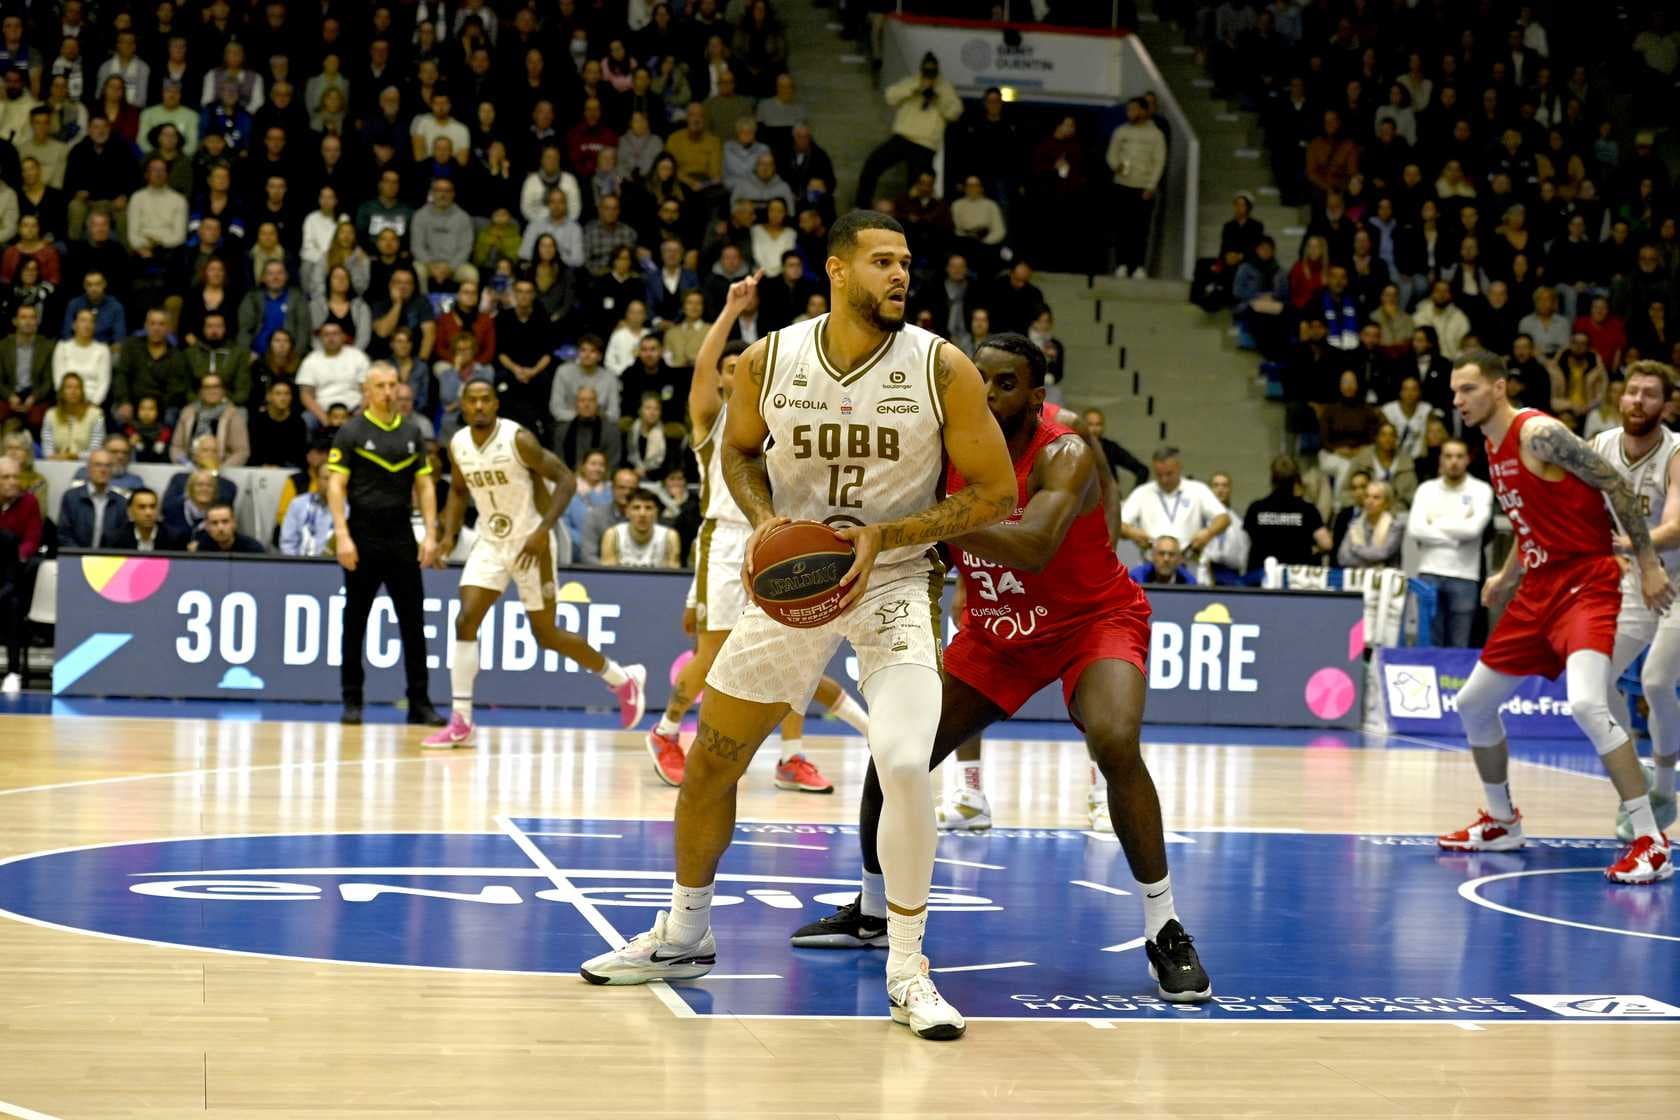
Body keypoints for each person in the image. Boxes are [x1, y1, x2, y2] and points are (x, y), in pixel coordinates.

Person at [579, 211, 1017, 1044]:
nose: (900, 275)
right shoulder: (770, 357)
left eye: (907, 264)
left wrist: (887, 535)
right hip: (796, 580)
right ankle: (684, 932)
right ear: (837, 269)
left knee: (900, 761)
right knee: (713, 756)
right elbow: (737, 453)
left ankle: (907, 966)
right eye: (883, 261)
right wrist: (768, 524)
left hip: (894, 577)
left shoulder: (940, 367)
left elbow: (994, 494)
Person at [789, 333, 1210, 1004]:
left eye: (1004, 383)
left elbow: (1037, 545)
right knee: (896, 751)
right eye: (978, 379)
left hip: (1090, 619)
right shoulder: (944, 445)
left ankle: (1164, 927)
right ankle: (874, 909)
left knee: (1114, 738)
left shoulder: (1065, 450)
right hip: (997, 631)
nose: (985, 393)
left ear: (1035, 396)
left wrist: (924, 524)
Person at [1438, 351, 1675, 884]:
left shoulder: (1538, 433)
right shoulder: (1491, 445)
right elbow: (1531, 523)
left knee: (1588, 703)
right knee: (1474, 703)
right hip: (1538, 588)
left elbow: (1615, 485)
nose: (1458, 401)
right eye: (1455, 391)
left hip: (1585, 581)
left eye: (1468, 389)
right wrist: (1507, 576)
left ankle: (1651, 840)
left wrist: (1646, 563)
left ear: (1498, 388)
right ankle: (1502, 821)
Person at [643, 278, 867, 794]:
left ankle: (792, 755)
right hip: (724, 543)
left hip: (780, 543)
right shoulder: (712, 416)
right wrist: (729, 310)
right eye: (729, 367)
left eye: (741, 366)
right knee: (714, 654)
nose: (734, 371)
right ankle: (667, 731)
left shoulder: (785, 419)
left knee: (793, 653)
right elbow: (702, 369)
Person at [425, 379, 646, 749]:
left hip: (532, 543)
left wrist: (544, 530)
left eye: (485, 400)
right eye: (472, 401)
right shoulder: (459, 444)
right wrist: (448, 536)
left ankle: (621, 678)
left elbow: (565, 480)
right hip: (491, 541)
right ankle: (461, 719)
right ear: (462, 406)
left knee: (545, 634)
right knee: (465, 619)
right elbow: (460, 491)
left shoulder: (518, 439)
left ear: (496, 404)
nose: (479, 406)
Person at [325, 362, 447, 728]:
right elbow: (335, 485)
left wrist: (430, 532)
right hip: (363, 534)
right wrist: (342, 535)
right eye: (381, 386)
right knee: (355, 622)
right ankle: (352, 700)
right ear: (367, 391)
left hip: (400, 536)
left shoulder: (412, 432)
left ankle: (420, 702)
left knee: (413, 623)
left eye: (394, 385)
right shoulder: (351, 431)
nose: (389, 392)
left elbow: (425, 485)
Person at [1592, 362, 1680, 843]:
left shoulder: (1677, 452)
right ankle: (1638, 779)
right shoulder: (1600, 446)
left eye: (1650, 395)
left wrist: (1629, 545)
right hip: (1632, 579)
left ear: (1666, 406)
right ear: (1620, 399)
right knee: (1594, 680)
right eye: (1632, 392)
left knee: (1657, 680)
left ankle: (1666, 789)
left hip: (1676, 579)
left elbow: (1677, 525)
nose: (1638, 401)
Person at [1406, 438, 1494, 646]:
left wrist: (1436, 523)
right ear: (1441, 460)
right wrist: (1456, 535)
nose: (1453, 461)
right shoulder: (1426, 489)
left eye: (1459, 456)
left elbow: (1473, 530)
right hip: (1429, 573)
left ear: (1468, 460)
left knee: (1460, 646)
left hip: (1465, 576)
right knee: (1429, 643)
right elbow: (1415, 529)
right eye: (1448, 456)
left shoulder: (1481, 490)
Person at [853, 53, 961, 209]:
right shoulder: (912, 81)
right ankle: (861, 206)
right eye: (926, 69)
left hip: (925, 144)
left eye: (932, 70)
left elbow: (954, 113)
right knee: (872, 165)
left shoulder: (945, 88)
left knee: (916, 188)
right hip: (902, 138)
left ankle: (907, 222)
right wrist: (916, 88)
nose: (928, 72)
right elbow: (890, 97)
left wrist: (938, 96)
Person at [1118, 447, 1230, 563]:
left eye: (1169, 474)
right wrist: (1131, 532)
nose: (1164, 479)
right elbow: (1118, 524)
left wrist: (1208, 533)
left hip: (1187, 561)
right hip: (1152, 564)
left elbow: (1224, 518)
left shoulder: (1197, 489)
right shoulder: (1142, 492)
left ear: (1179, 468)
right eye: (1159, 475)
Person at [1106, 97, 1167, 278]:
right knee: (1121, 227)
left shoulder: (1156, 135)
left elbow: (1159, 162)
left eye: (1134, 110)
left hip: (1143, 188)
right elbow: (1111, 154)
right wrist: (1116, 165)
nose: (1130, 113)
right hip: (1122, 185)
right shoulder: (1121, 131)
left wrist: (1151, 186)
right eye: (1128, 110)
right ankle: (1121, 264)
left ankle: (1139, 265)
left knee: (1140, 230)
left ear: (1143, 111)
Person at [0, 454, 42, 693]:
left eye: (16, 476)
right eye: (6, 477)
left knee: (12, 606)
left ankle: (13, 671)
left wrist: (14, 559)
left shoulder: (29, 502)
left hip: (14, 573)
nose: (13, 482)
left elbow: (32, 540)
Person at [58, 446, 128, 548]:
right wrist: (82, 557)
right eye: (98, 465)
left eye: (108, 466)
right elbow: (63, 535)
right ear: (88, 468)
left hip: (109, 560)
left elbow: (122, 539)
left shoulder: (121, 502)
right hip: (75, 558)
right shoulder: (71, 497)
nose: (103, 470)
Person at [600, 486, 681, 567]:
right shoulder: (613, 535)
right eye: (636, 508)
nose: (642, 514)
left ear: (656, 512)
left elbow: (673, 576)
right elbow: (608, 577)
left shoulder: (669, 537)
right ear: (627, 512)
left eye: (648, 508)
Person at [189, 501, 263, 553]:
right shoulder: (201, 550)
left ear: (234, 523)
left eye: (225, 522)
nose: (220, 528)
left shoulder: (253, 549)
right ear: (207, 527)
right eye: (214, 523)